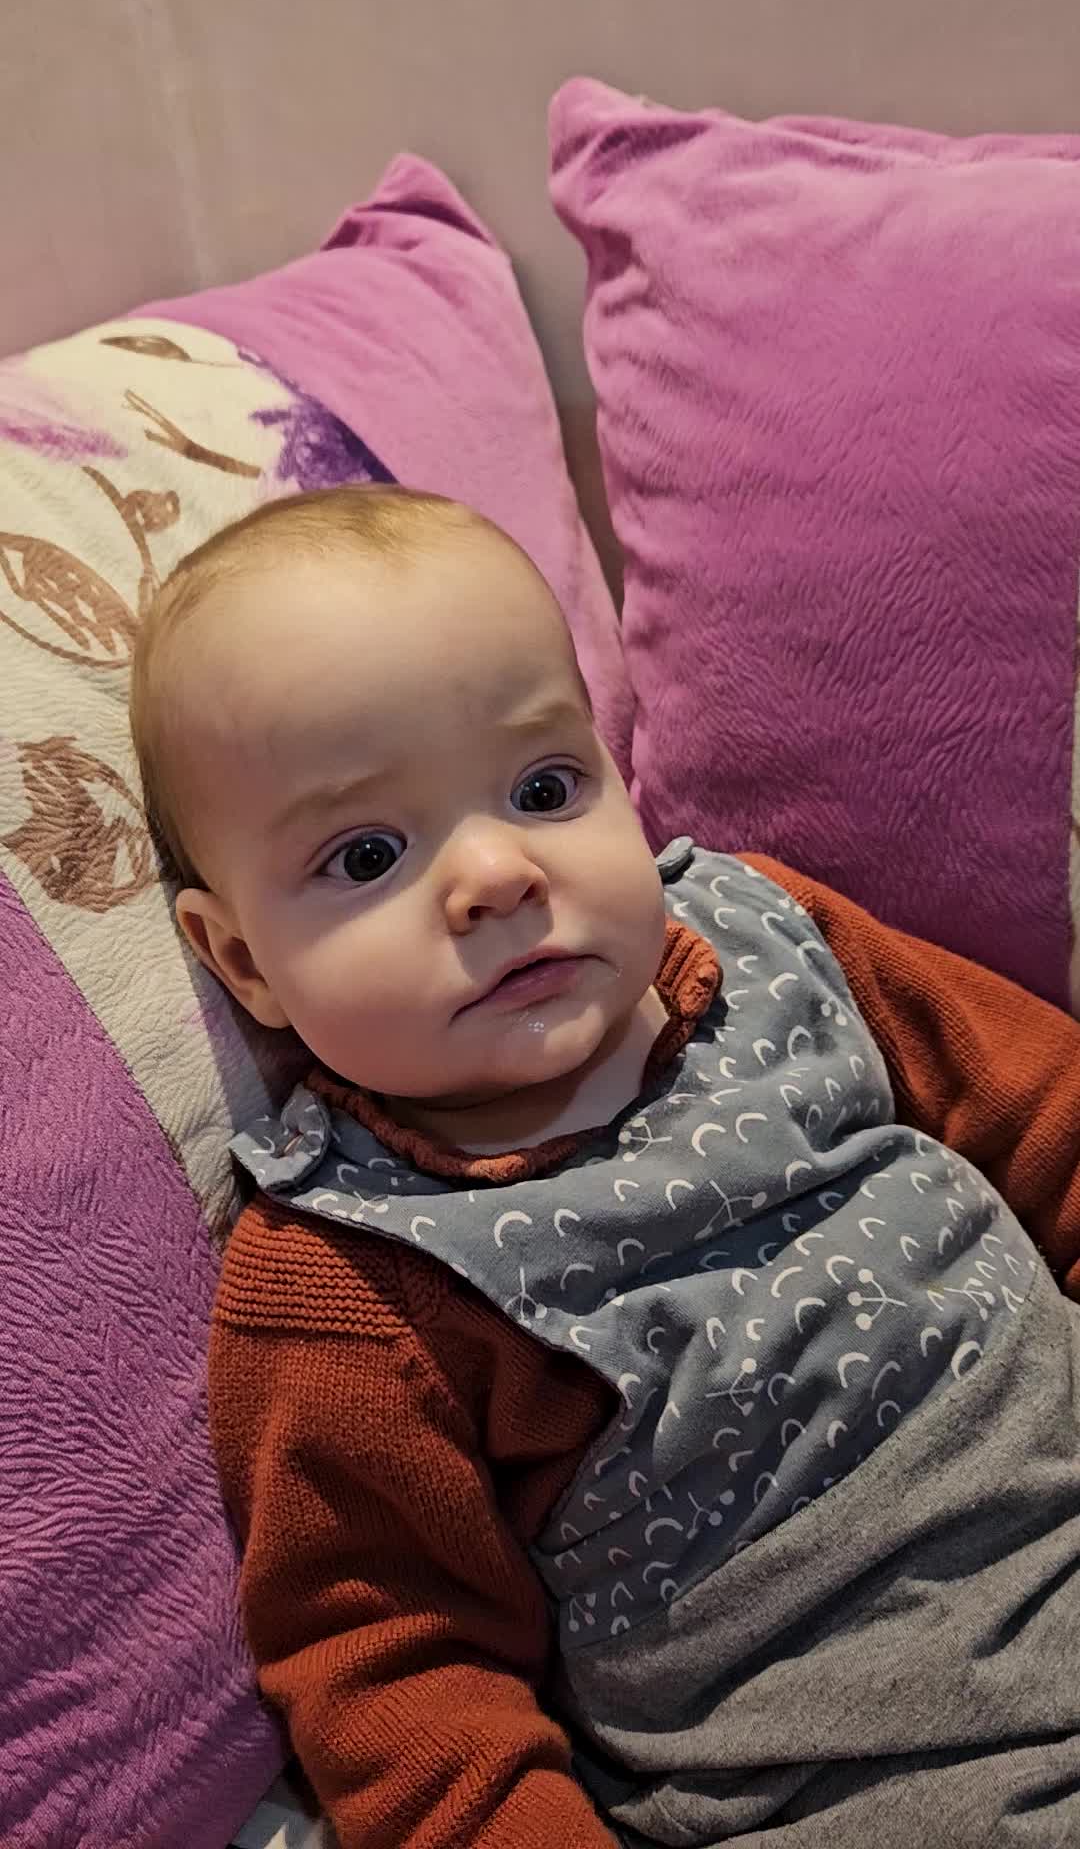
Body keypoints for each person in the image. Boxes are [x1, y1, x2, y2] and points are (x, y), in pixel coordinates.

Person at [132, 484, 1080, 1849]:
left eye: (544, 788)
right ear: (242, 963)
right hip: (884, 1771)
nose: (499, 874)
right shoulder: (352, 1285)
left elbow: (1051, 1121)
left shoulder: (776, 938)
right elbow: (400, 1684)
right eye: (367, 854)